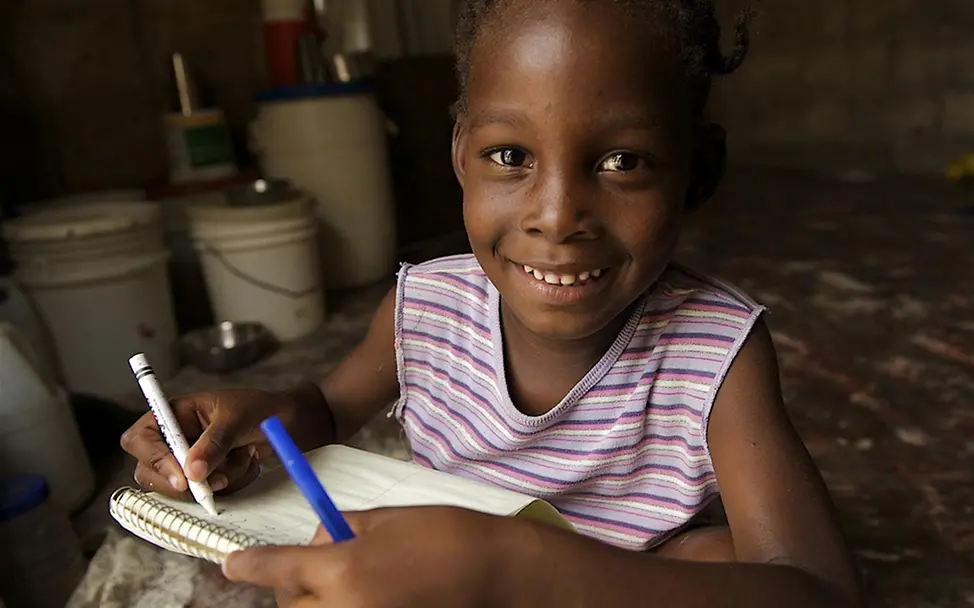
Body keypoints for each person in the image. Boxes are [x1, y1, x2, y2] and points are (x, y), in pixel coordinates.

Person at [121, 0, 863, 605]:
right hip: (447, 580)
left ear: (697, 174)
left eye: (622, 162)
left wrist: (525, 569)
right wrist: (251, 425)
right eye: (510, 156)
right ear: (460, 155)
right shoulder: (427, 307)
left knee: (722, 560)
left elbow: (821, 590)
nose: (556, 214)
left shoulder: (715, 353)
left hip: (621, 586)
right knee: (320, 576)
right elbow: (324, 404)